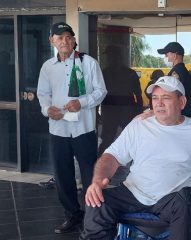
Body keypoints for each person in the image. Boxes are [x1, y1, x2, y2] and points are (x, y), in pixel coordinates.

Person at [79, 76, 191, 240]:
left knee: (186, 199)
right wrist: (97, 181)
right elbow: (112, 156)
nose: (159, 103)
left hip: (174, 200)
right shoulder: (139, 125)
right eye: (155, 98)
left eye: (166, 98)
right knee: (97, 202)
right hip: (133, 193)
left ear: (182, 102)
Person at [37, 22, 107, 234]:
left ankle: (92, 219)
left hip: (83, 130)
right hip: (58, 130)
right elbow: (43, 94)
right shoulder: (48, 67)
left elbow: (101, 91)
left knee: (89, 176)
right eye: (59, 38)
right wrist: (47, 109)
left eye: (68, 37)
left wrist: (82, 102)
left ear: (74, 40)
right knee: (63, 176)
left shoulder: (88, 63)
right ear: (52, 41)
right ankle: (72, 216)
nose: (64, 41)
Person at [99, 45, 143, 154]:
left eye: (110, 56)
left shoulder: (105, 73)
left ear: (117, 57)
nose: (109, 58)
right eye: (109, 56)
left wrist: (139, 112)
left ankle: (101, 162)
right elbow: (138, 95)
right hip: (120, 109)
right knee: (119, 139)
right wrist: (139, 112)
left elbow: (138, 95)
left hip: (117, 109)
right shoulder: (129, 73)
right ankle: (103, 162)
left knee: (114, 139)